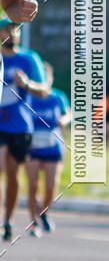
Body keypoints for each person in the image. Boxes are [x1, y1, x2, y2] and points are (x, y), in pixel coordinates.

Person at [0, 0, 41, 242]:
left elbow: (13, 2)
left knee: (11, 175)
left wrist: (20, 8)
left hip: (17, 122)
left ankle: (7, 221)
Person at [0, 19, 49, 240]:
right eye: (8, 28)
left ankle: (8, 221)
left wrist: (27, 84)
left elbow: (44, 91)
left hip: (20, 127)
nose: (13, 33)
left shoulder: (29, 59)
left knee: (13, 174)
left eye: (16, 29)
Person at [25, 62, 71, 237]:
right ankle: (34, 223)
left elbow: (68, 113)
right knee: (33, 186)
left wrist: (64, 120)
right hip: (33, 147)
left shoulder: (58, 97)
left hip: (53, 146)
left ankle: (44, 212)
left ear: (50, 79)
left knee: (51, 187)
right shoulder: (29, 97)